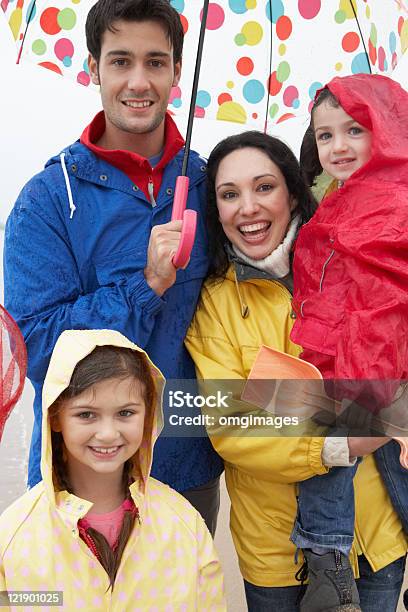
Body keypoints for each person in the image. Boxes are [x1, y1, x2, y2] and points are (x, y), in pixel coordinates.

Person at [3, 0, 222, 533]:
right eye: (121, 61)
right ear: (94, 67)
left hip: (186, 469)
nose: (138, 81)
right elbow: (34, 347)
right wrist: (145, 286)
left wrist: (365, 414)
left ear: (176, 70)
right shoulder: (49, 199)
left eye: (155, 61)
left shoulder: (211, 183)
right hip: (80, 476)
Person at [185, 130, 407, 612]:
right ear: (215, 209)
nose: (248, 207)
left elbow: (398, 378)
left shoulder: (352, 266)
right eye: (229, 194)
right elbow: (233, 425)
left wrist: (281, 397)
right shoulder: (215, 304)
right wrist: (340, 438)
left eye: (264, 187)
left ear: (291, 189)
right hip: (276, 553)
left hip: (377, 540)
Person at [289, 74, 408, 610]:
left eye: (354, 131)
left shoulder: (394, 199)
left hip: (380, 354)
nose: (337, 147)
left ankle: (326, 553)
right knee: (334, 445)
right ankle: (328, 559)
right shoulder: (332, 203)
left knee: (378, 450)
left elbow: (385, 285)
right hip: (345, 353)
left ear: (386, 132)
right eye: (324, 135)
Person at [0, 328, 226, 609]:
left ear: (149, 413)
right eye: (86, 415)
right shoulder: (15, 535)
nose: (107, 433)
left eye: (125, 413)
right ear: (55, 417)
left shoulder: (183, 524)